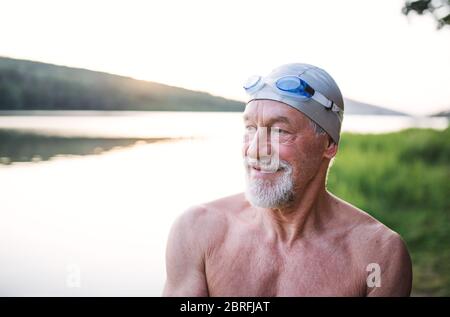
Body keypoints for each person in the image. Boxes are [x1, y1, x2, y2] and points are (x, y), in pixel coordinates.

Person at [163, 63, 412, 296]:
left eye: (280, 131)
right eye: (250, 128)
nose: (254, 151)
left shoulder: (378, 256)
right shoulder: (197, 231)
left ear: (328, 144)